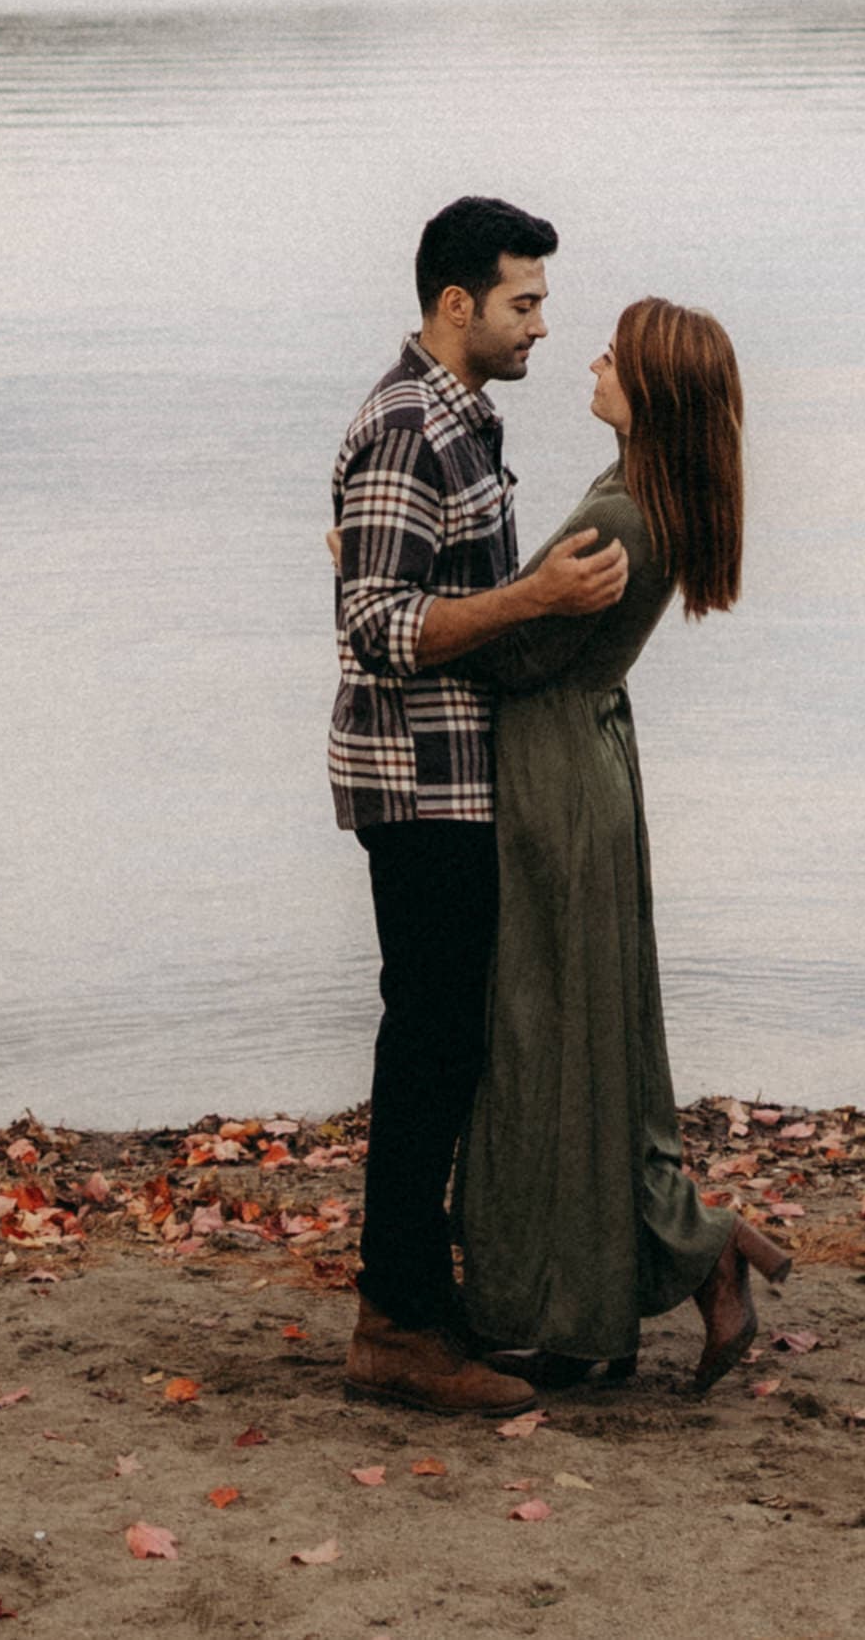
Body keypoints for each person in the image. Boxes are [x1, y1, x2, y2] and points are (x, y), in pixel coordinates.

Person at [453, 297, 794, 1386]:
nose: (593, 356)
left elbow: (516, 657)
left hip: (554, 773)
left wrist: (443, 612)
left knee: (543, 1047)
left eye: (617, 349)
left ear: (654, 390)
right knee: (592, 1050)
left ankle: (587, 1297)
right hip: (586, 758)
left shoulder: (625, 514)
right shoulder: (646, 495)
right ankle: (686, 1259)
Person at [328, 193, 631, 1415]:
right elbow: (377, 623)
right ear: (457, 303)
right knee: (430, 1046)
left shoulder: (464, 421)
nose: (543, 325)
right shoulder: (408, 426)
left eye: (543, 301)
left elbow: (394, 580)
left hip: (456, 777)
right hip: (416, 779)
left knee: (448, 1043)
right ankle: (396, 1322)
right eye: (524, 301)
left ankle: (421, 1303)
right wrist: (535, 599)